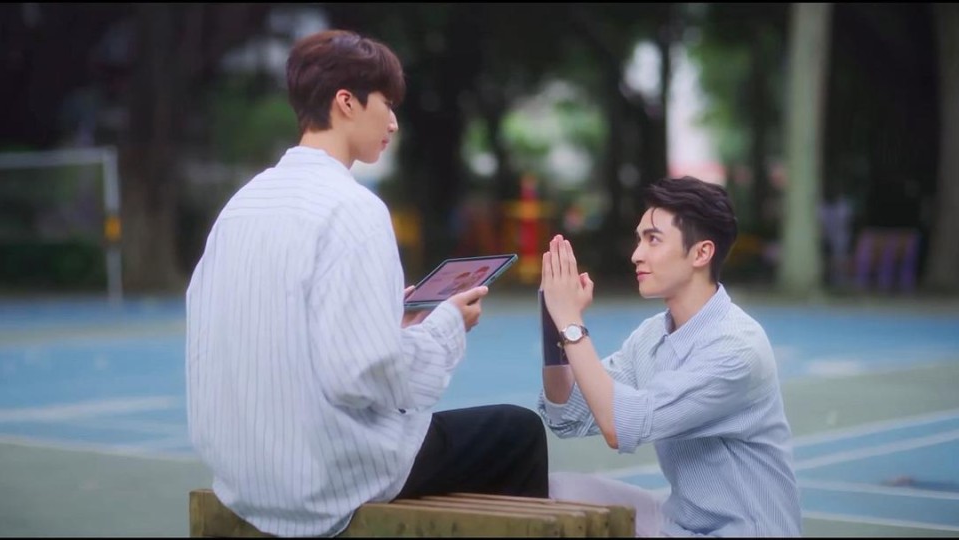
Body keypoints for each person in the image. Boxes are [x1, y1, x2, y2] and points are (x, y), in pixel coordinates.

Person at [186, 29, 548, 538]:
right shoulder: (354, 209)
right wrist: (445, 327)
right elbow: (362, 376)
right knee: (517, 431)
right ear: (347, 102)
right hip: (323, 474)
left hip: (242, 474)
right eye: (387, 103)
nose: (394, 121)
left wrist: (386, 321)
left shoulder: (242, 205)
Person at [537, 176, 802, 537]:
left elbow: (619, 424)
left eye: (653, 239)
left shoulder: (737, 348)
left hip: (742, 531)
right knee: (552, 492)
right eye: (639, 239)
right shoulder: (652, 335)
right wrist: (552, 322)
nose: (636, 254)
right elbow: (567, 415)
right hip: (680, 523)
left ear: (701, 253)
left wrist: (571, 322)